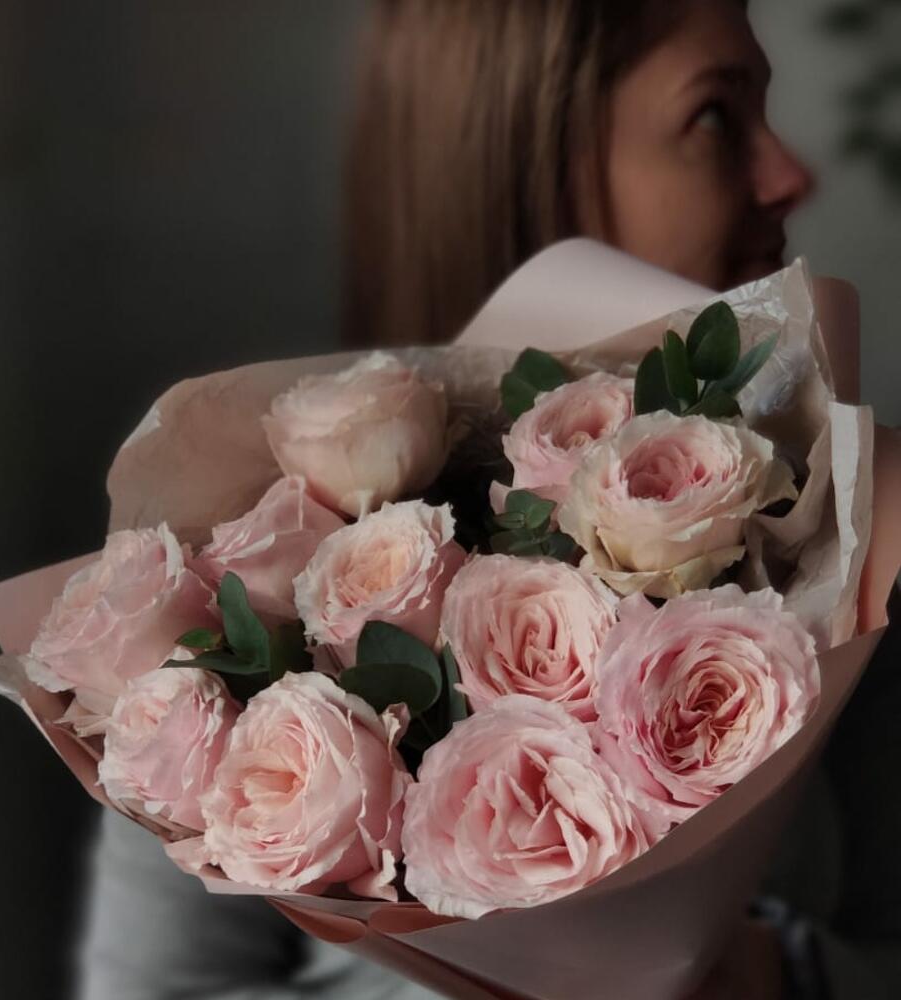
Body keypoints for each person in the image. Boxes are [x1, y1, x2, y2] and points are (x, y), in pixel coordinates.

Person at [78, 2, 899, 998]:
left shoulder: (838, 540)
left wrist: (771, 973)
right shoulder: (248, 575)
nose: (788, 172)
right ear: (530, 152)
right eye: (717, 116)